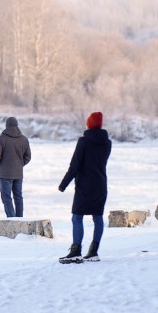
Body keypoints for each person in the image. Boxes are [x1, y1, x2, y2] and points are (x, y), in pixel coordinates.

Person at [58, 111, 112, 263]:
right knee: (97, 217)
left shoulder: (83, 141)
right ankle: (93, 252)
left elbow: (75, 166)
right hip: (100, 185)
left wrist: (63, 184)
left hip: (84, 186)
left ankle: (76, 251)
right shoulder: (107, 143)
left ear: (89, 124)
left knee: (77, 217)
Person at [0, 117, 31, 218]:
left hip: (5, 174)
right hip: (18, 174)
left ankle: (12, 219)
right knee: (18, 196)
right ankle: (20, 218)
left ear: (6, 125)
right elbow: (28, 157)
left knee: (6, 197)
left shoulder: (1, 139)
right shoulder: (24, 139)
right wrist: (19, 165)